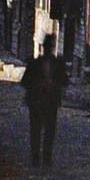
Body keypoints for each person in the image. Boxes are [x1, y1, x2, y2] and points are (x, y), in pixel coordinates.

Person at [22, 36, 69, 169]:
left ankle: (46, 157)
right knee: (36, 130)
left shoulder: (58, 64)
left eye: (50, 47)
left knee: (49, 130)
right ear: (43, 48)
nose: (48, 49)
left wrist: (54, 85)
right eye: (47, 47)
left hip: (51, 101)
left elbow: (64, 81)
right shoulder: (34, 64)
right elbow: (25, 81)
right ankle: (35, 156)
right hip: (36, 101)